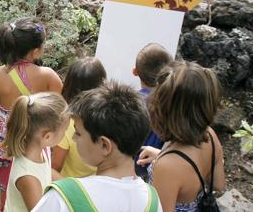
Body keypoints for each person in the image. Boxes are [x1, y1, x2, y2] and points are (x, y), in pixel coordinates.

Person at [0, 18, 63, 212]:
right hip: (34, 141)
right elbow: (59, 110)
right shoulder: (48, 75)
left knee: (8, 182)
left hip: (6, 142)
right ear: (35, 51)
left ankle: (3, 208)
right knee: (34, 180)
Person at [33, 82, 162, 212]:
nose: (73, 138)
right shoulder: (153, 200)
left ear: (105, 145)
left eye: (78, 133)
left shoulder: (63, 196)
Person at [137, 61, 225, 212]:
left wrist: (166, 162)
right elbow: (218, 184)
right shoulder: (209, 134)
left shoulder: (166, 167)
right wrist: (162, 155)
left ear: (164, 112)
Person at [0, 93, 68, 212]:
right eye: (64, 131)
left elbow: (46, 171)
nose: (65, 134)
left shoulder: (39, 150)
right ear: (47, 136)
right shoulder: (28, 178)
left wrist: (73, 185)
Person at [52, 57, 106, 179]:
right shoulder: (108, 120)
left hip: (72, 188)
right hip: (96, 186)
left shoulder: (69, 123)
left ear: (69, 86)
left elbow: (55, 167)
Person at [133, 43, 173, 179]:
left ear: (135, 71)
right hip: (160, 167)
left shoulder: (131, 103)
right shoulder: (174, 104)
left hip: (132, 167)